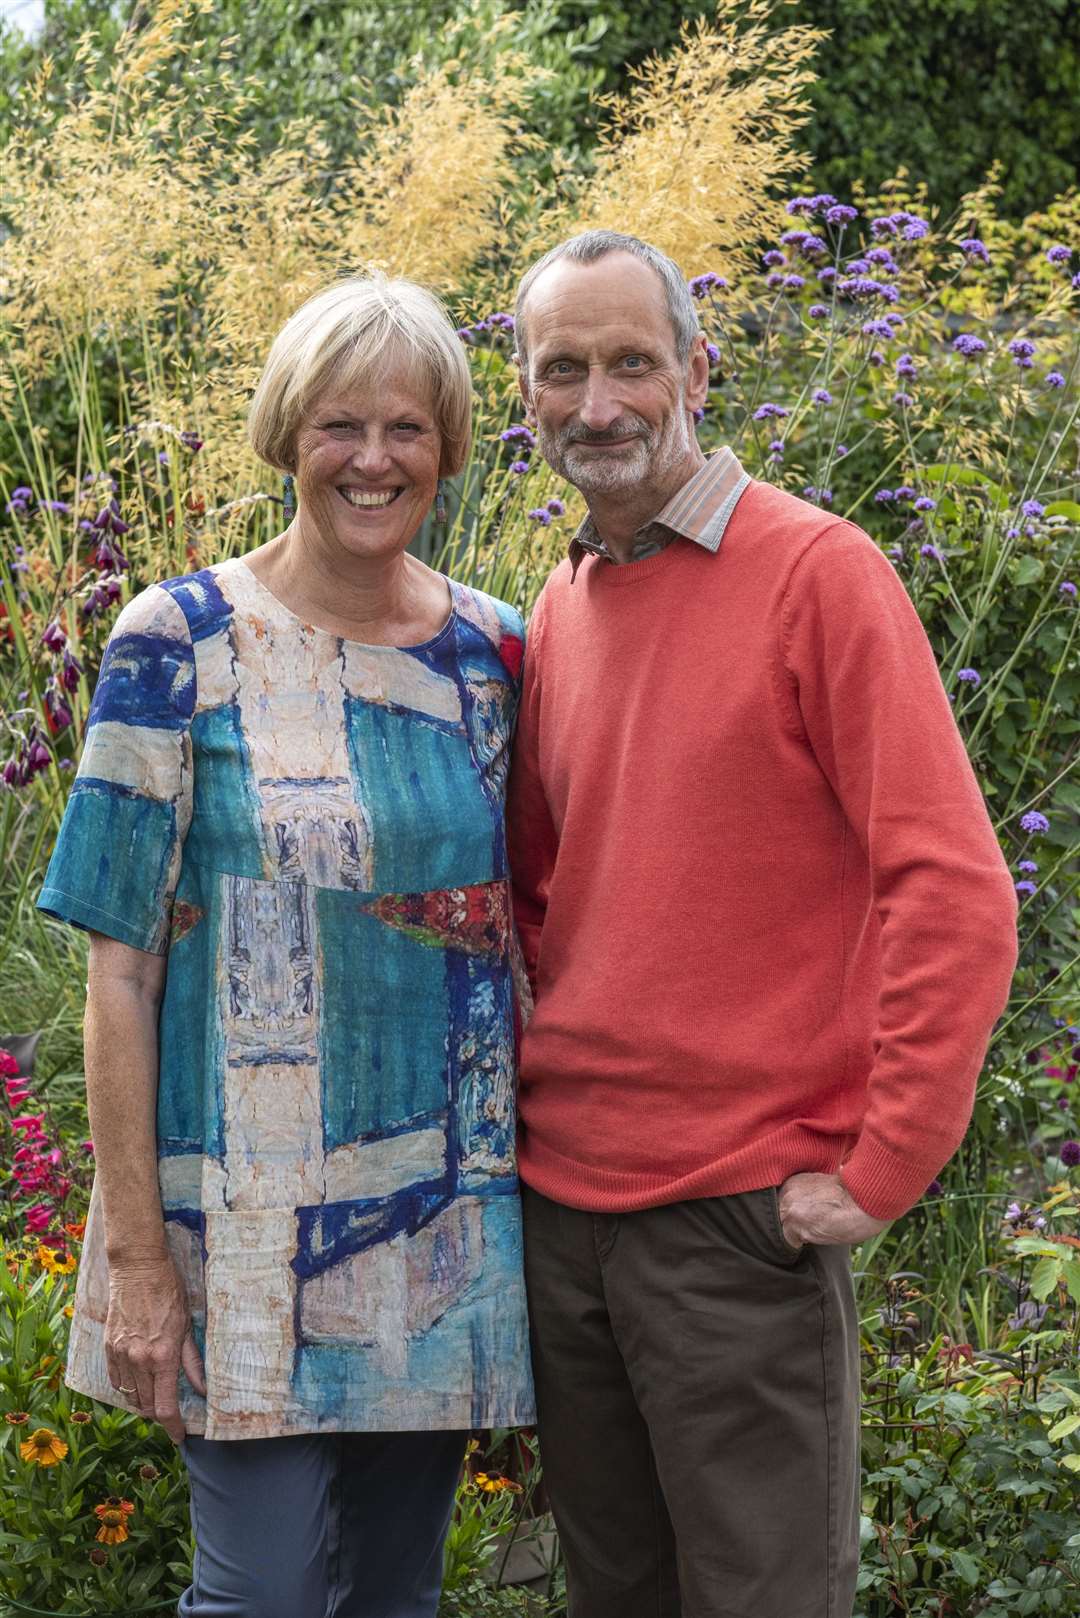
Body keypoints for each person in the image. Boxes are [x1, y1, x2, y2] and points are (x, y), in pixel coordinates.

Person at [506, 230, 1018, 1618]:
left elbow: (956, 890)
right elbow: (549, 901)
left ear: (697, 370)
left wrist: (887, 1162)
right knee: (618, 1597)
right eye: (564, 368)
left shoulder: (818, 575)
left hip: (735, 1224)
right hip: (566, 1216)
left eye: (631, 361)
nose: (598, 401)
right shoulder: (561, 603)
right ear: (526, 388)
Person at [38, 273, 535, 1618]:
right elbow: (120, 972)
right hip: (229, 1229)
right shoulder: (177, 642)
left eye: (406, 429)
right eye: (337, 426)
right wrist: (140, 1256)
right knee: (255, 1596)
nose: (373, 460)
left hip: (442, 1225)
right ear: (283, 436)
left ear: (447, 444)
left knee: (391, 1598)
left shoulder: (496, 656)